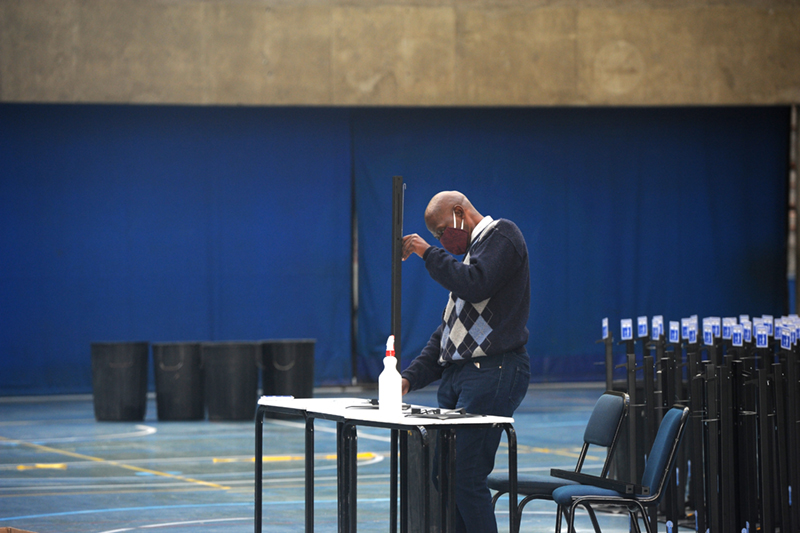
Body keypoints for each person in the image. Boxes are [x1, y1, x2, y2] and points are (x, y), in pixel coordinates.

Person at [400, 190, 531, 533]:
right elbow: (447, 335)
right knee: (444, 475)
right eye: (435, 237)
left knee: (465, 475)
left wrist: (427, 253)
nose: (442, 239)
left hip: (494, 369)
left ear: (460, 211)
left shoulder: (502, 235)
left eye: (442, 230)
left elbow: (476, 285)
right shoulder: (471, 259)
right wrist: (408, 379)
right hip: (460, 376)